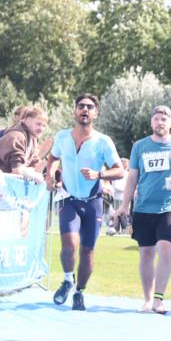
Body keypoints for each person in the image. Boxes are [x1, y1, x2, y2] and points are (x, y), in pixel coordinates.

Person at [112, 105, 171, 314]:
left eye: (164, 119)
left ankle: (159, 299)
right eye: (157, 119)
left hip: (170, 205)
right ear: (151, 122)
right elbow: (132, 177)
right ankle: (148, 299)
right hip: (143, 207)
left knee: (166, 248)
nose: (160, 122)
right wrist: (124, 206)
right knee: (146, 253)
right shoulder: (140, 147)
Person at [45, 94, 124, 311]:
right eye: (81, 106)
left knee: (87, 251)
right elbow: (52, 158)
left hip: (93, 202)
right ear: (75, 110)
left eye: (90, 107)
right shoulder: (62, 137)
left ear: (95, 113)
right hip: (69, 199)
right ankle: (67, 280)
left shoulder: (103, 141)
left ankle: (79, 291)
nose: (85, 110)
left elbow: (120, 170)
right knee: (69, 245)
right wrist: (50, 174)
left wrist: (99, 174)